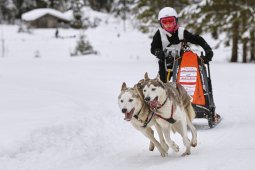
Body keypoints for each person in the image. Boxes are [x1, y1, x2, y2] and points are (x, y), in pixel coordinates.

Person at [151, 7, 213, 83]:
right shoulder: (159, 34)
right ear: (161, 24)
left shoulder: (181, 32)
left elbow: (197, 39)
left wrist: (207, 49)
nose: (168, 24)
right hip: (165, 61)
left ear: (175, 21)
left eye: (171, 21)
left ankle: (195, 87)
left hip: (181, 60)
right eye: (165, 22)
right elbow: (153, 47)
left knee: (186, 77)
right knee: (162, 82)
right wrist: (157, 52)